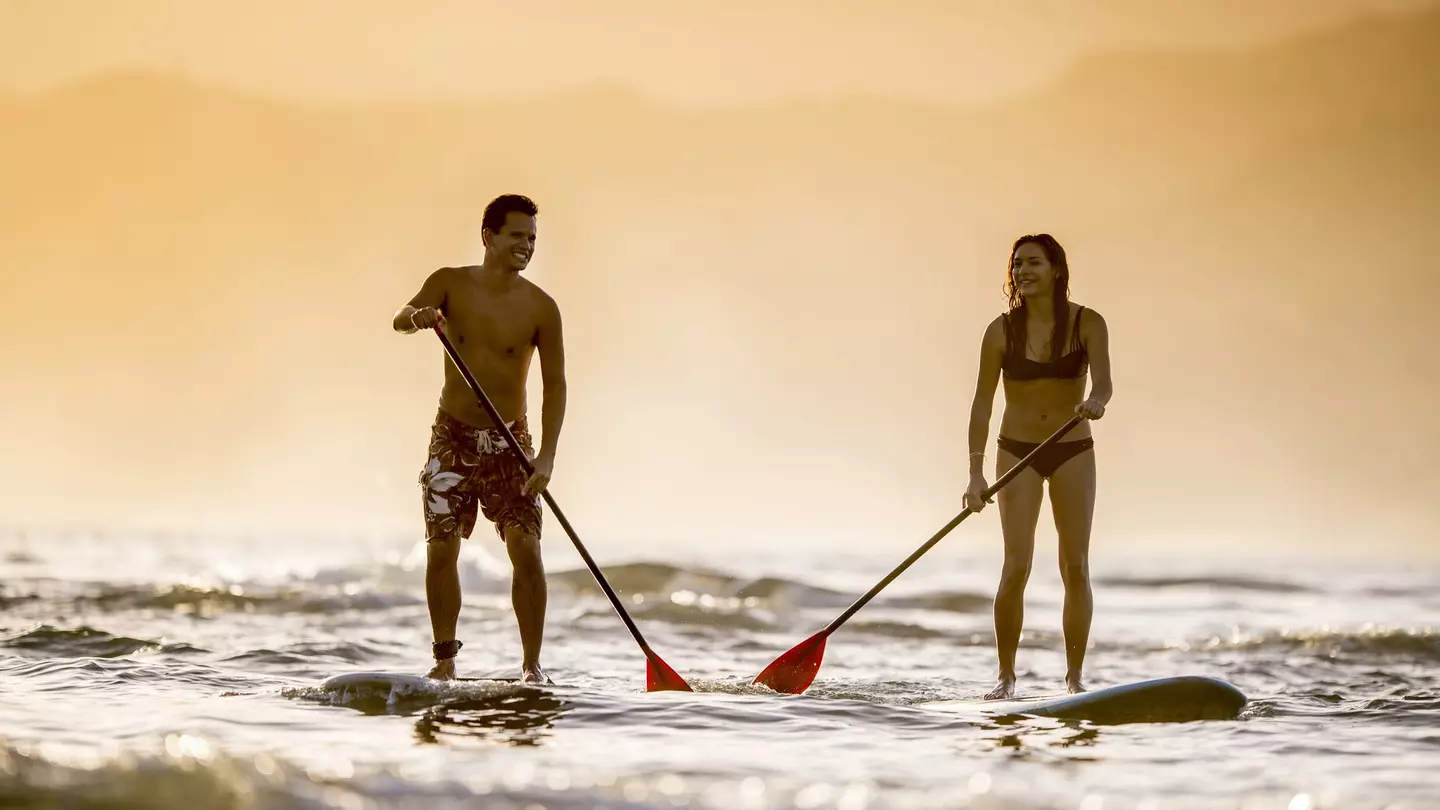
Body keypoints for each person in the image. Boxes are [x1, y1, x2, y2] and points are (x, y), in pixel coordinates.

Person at [391, 193, 567, 684]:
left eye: (532, 239)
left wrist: (546, 458)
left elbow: (555, 386)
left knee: (526, 550)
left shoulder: (541, 308)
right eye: (516, 236)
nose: (526, 246)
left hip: (512, 443)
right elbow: (401, 316)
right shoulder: (449, 283)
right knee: (442, 548)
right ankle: (444, 661)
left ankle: (532, 668)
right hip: (453, 438)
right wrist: (419, 318)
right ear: (488, 236)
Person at [963, 233, 1112, 700]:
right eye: (1017, 264)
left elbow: (1105, 385)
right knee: (1015, 567)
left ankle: (1074, 679)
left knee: (1076, 567)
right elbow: (983, 404)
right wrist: (975, 474)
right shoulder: (999, 331)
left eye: (1033, 263)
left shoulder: (1089, 323)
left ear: (1056, 270)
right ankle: (1005, 677)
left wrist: (1094, 402)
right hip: (1016, 452)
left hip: (1072, 450)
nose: (1023, 272)